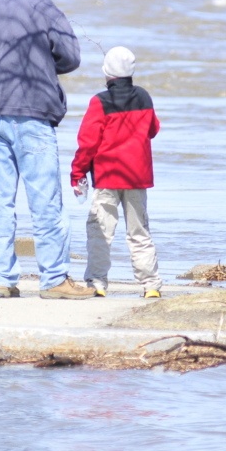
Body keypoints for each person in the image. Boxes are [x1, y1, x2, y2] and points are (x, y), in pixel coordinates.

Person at [0, 0, 95, 300]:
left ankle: (3, 279)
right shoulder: (43, 7)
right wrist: (44, 63)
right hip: (33, 113)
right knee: (45, 201)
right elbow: (72, 57)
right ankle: (53, 280)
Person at [70, 46, 162, 297]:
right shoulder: (143, 96)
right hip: (137, 177)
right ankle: (150, 285)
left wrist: (77, 172)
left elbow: (87, 143)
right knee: (139, 231)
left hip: (107, 176)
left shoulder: (100, 101)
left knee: (100, 230)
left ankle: (97, 283)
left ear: (106, 72)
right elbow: (153, 129)